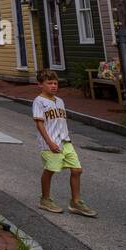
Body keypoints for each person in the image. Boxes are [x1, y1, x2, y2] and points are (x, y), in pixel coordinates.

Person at [33, 69, 97, 217]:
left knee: (77, 170)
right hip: (50, 143)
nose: (53, 86)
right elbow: (40, 124)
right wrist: (49, 142)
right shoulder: (39, 102)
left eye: (55, 83)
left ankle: (75, 202)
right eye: (49, 83)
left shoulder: (60, 101)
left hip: (65, 141)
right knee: (51, 170)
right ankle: (45, 199)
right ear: (40, 85)